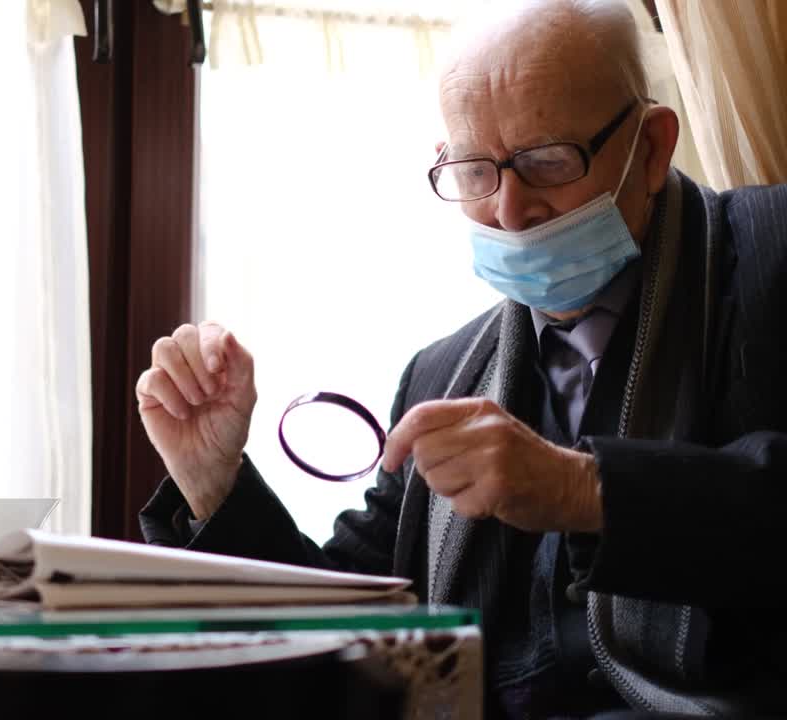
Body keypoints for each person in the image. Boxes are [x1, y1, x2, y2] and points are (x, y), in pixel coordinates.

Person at [134, 0, 787, 716]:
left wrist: (586, 491)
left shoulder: (766, 254)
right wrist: (213, 482)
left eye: (546, 160)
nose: (510, 210)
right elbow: (353, 630)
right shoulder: (444, 373)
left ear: (654, 147)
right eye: (475, 172)